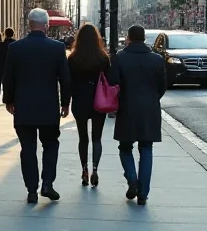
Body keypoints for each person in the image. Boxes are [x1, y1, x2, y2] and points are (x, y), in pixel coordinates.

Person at [3, 8, 72, 203]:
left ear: (29, 24)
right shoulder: (57, 48)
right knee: (50, 144)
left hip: (24, 107)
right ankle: (47, 183)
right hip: (48, 107)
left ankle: (31, 190)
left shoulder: (15, 48)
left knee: (28, 148)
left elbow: (8, 78)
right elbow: (65, 79)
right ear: (46, 25)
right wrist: (65, 103)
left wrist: (9, 100)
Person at [108, 25, 167, 206]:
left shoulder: (120, 58)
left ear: (129, 38)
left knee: (125, 148)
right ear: (144, 39)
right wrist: (152, 98)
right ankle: (143, 193)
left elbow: (112, 82)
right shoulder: (156, 59)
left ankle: (132, 180)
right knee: (146, 150)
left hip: (127, 109)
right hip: (150, 110)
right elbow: (162, 86)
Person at [67, 23, 110, 187]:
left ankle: (84, 169)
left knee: (82, 137)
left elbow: (68, 81)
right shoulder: (103, 58)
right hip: (99, 100)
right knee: (97, 138)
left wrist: (65, 101)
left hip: (80, 100)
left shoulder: (73, 58)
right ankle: (95, 169)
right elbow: (109, 80)